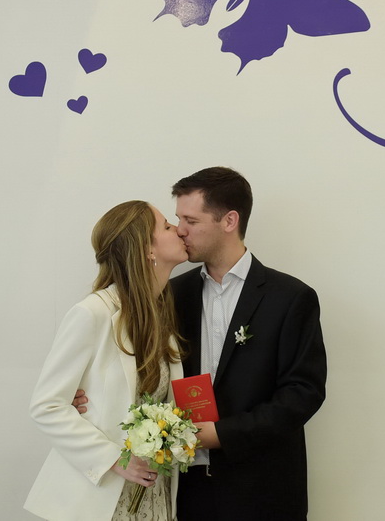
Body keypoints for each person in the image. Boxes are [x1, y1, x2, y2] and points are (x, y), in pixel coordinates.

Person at [76, 168, 327, 520]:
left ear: (229, 221)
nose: (180, 230)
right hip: (183, 488)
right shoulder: (171, 294)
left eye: (190, 220)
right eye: (177, 219)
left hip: (262, 487)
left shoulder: (290, 297)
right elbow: (140, 371)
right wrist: (87, 395)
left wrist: (221, 434)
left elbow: (303, 394)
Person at [25, 201, 188, 521]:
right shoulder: (93, 313)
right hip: (100, 498)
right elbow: (46, 406)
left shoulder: (161, 316)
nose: (178, 230)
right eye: (167, 226)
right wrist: (116, 459)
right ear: (147, 249)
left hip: (155, 497)